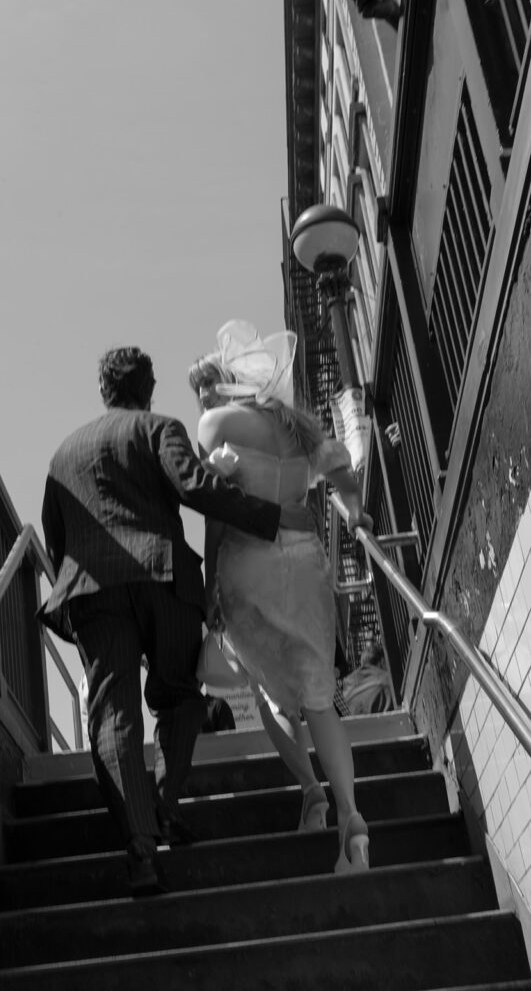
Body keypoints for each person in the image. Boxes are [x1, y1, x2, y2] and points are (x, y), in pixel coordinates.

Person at [39, 345, 316, 896]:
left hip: (93, 590)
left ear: (104, 391)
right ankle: (164, 805)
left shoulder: (62, 455)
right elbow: (194, 486)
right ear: (148, 388)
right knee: (181, 697)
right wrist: (270, 516)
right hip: (164, 581)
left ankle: (140, 847)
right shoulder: (157, 427)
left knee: (113, 716)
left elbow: (55, 537)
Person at [190, 319, 374, 871]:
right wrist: (357, 511)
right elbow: (341, 465)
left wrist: (209, 590)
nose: (201, 397)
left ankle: (311, 792)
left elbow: (218, 513)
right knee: (319, 695)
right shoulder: (297, 429)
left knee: (267, 690)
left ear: (225, 382)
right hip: (305, 560)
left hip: (248, 563)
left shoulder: (214, 424)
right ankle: (351, 820)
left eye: (205, 386)